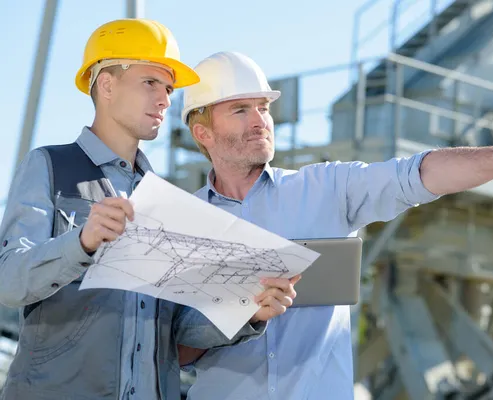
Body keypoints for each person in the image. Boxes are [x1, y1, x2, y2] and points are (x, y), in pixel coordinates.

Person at [179, 51, 493, 400]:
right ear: (203, 132)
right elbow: (169, 350)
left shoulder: (326, 188)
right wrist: (241, 313)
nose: (260, 121)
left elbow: (418, 174)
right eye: (240, 110)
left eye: (264, 108)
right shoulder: (180, 224)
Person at [0, 23, 296, 400]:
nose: (165, 100)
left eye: (169, 89)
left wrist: (248, 310)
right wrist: (81, 244)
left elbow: (175, 330)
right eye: (150, 83)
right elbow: (8, 280)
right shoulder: (49, 166)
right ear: (106, 85)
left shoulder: (164, 198)